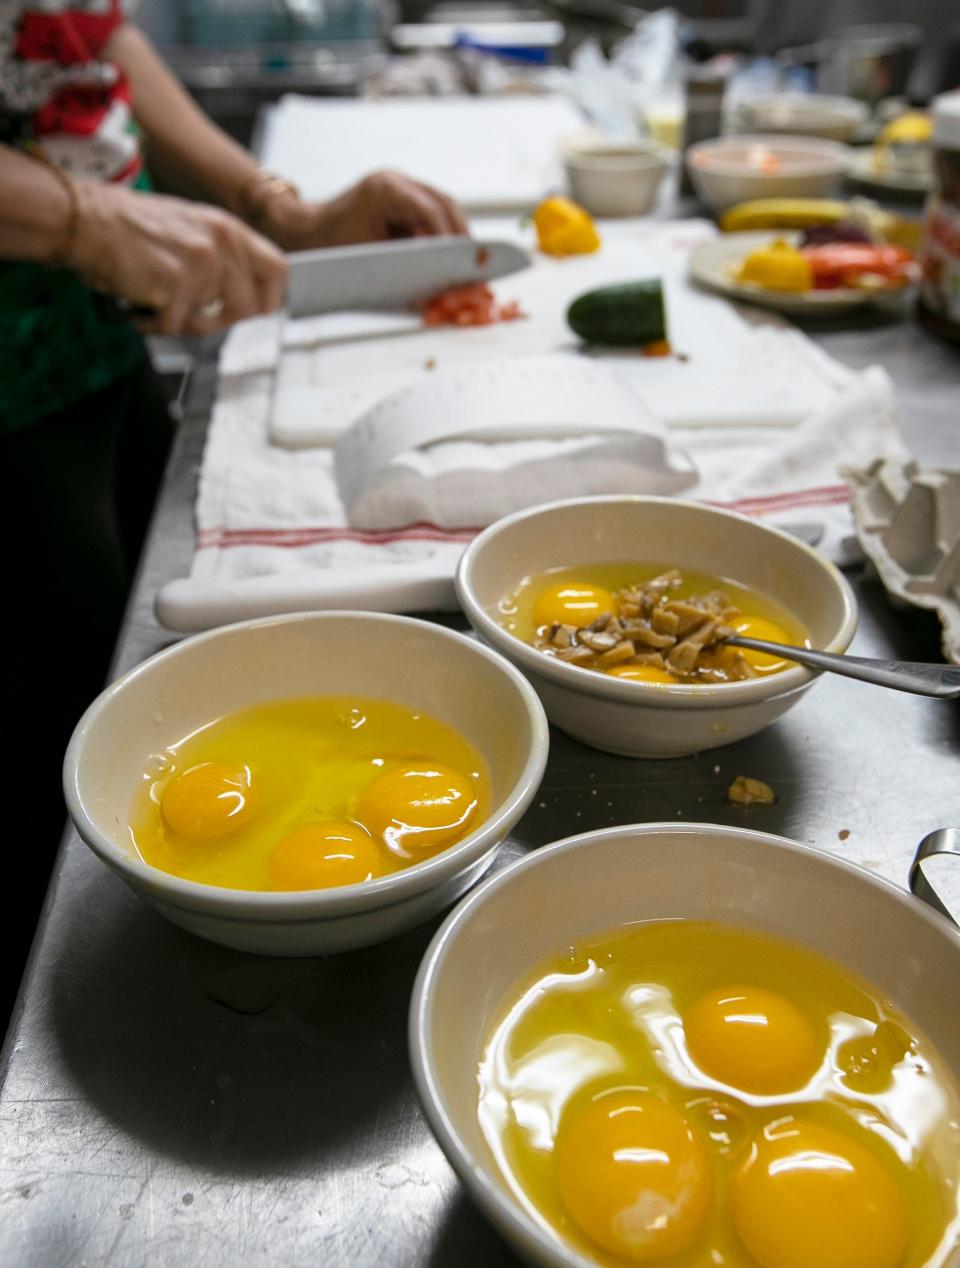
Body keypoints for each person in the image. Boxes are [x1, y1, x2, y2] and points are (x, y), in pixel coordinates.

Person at [0, 0, 468, 1021]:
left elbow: (83, 31)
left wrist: (277, 206)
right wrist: (83, 215)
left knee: (111, 665)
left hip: (83, 334)